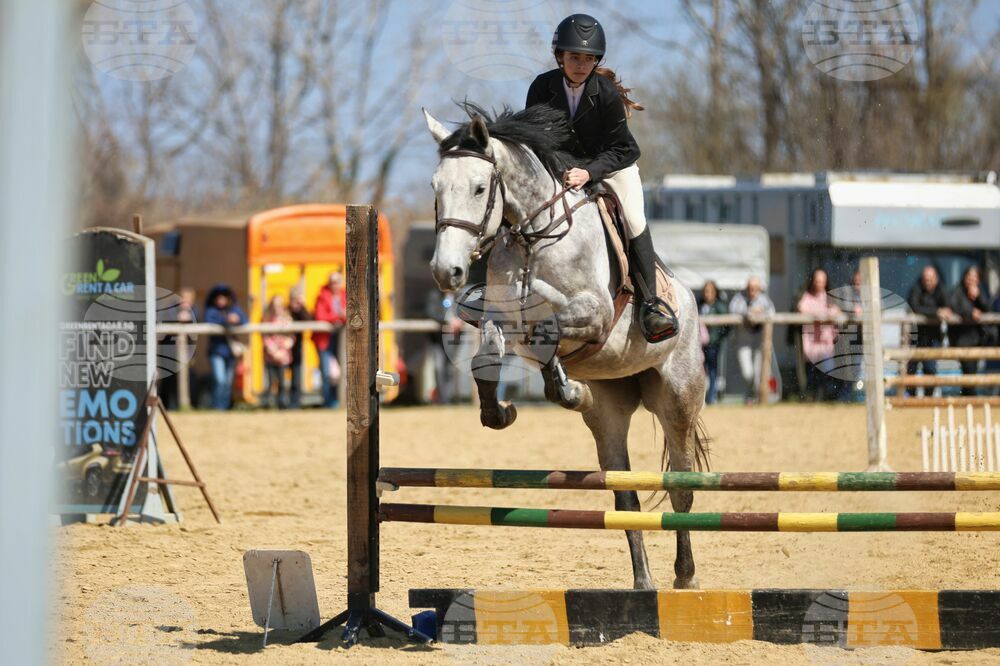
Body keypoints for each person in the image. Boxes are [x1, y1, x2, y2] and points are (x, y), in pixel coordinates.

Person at [524, 13, 677, 343]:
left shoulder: (605, 93)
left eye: (589, 58)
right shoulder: (541, 88)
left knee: (634, 218)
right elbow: (536, 141)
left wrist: (589, 172)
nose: (581, 65)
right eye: (575, 57)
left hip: (614, 167)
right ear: (560, 57)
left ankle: (651, 304)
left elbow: (623, 149)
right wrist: (563, 169)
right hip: (564, 169)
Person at [906, 265, 953, 395]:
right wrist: (936, 312)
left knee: (930, 368)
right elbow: (915, 307)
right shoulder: (916, 288)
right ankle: (911, 398)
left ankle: (929, 397)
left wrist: (943, 311)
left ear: (936, 279)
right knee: (911, 368)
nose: (927, 282)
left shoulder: (941, 289)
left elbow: (949, 307)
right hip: (915, 335)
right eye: (925, 279)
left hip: (933, 336)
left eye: (930, 279)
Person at [797, 268, 842, 401]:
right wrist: (819, 315)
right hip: (811, 342)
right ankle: (813, 397)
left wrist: (827, 315)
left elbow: (837, 312)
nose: (819, 284)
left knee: (826, 370)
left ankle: (824, 396)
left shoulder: (829, 298)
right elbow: (802, 310)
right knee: (812, 372)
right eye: (817, 281)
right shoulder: (807, 297)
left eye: (822, 281)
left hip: (826, 342)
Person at [729, 276, 775, 404]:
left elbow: (772, 312)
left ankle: (756, 399)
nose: (752, 291)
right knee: (747, 373)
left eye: (755, 289)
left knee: (759, 374)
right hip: (743, 341)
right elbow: (733, 309)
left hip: (759, 341)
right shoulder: (739, 298)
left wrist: (761, 312)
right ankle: (749, 394)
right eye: (750, 288)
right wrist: (749, 312)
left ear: (759, 289)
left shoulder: (764, 299)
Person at [203, 284, 247, 410]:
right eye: (218, 298)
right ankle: (217, 406)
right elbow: (208, 320)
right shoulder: (211, 310)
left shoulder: (234, 309)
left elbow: (244, 320)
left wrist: (237, 320)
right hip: (216, 351)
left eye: (223, 298)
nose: (221, 301)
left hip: (230, 352)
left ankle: (224, 406)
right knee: (220, 379)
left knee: (227, 382)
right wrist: (226, 320)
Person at [950, 266, 991, 397]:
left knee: (972, 369)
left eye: (974, 277)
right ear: (965, 277)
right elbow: (953, 306)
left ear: (978, 279)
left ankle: (968, 397)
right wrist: (970, 313)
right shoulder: (958, 290)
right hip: (961, 337)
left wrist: (978, 296)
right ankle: (970, 397)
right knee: (968, 369)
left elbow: (988, 307)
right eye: (969, 277)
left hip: (977, 338)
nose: (971, 280)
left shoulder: (981, 291)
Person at [160, 287, 197, 410]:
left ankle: (183, 405)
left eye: (188, 299)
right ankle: (165, 406)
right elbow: (164, 324)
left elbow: (199, 318)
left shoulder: (193, 311)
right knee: (168, 380)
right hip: (169, 352)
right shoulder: (170, 310)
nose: (185, 302)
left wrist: (189, 317)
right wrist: (178, 318)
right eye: (183, 299)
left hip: (187, 353)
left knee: (187, 379)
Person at [313, 271, 346, 408]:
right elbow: (320, 316)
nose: (335, 285)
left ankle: (341, 399)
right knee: (327, 372)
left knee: (342, 371)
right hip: (325, 340)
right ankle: (327, 401)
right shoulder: (322, 296)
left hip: (342, 339)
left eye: (337, 281)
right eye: (332, 282)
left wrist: (341, 317)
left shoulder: (346, 295)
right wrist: (338, 317)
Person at [426, 289, 463, 404]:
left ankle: (448, 397)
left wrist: (459, 321)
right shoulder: (434, 295)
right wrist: (448, 322)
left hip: (453, 338)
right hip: (438, 339)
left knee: (450, 369)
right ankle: (442, 399)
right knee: (438, 367)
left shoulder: (459, 296)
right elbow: (431, 312)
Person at [262, 294, 294, 409]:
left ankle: (282, 403)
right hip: (271, 355)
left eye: (279, 305)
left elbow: (291, 336)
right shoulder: (266, 319)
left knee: (282, 380)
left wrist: (283, 350)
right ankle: (268, 403)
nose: (277, 308)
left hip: (283, 355)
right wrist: (273, 351)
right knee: (270, 381)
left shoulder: (287, 319)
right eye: (275, 305)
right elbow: (265, 336)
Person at [699, 281, 729, 405]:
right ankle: (701, 398)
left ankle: (711, 397)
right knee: (700, 370)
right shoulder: (700, 306)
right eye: (706, 291)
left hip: (713, 344)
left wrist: (718, 337)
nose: (708, 294)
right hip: (699, 345)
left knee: (712, 370)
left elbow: (726, 326)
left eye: (710, 291)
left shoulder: (719, 307)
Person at [287, 287, 311, 408]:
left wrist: (302, 307)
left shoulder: (301, 312)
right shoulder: (285, 310)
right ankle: (281, 401)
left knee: (296, 376)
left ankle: (295, 402)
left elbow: (309, 320)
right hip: (283, 350)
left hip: (296, 349)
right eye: (294, 300)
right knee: (280, 376)